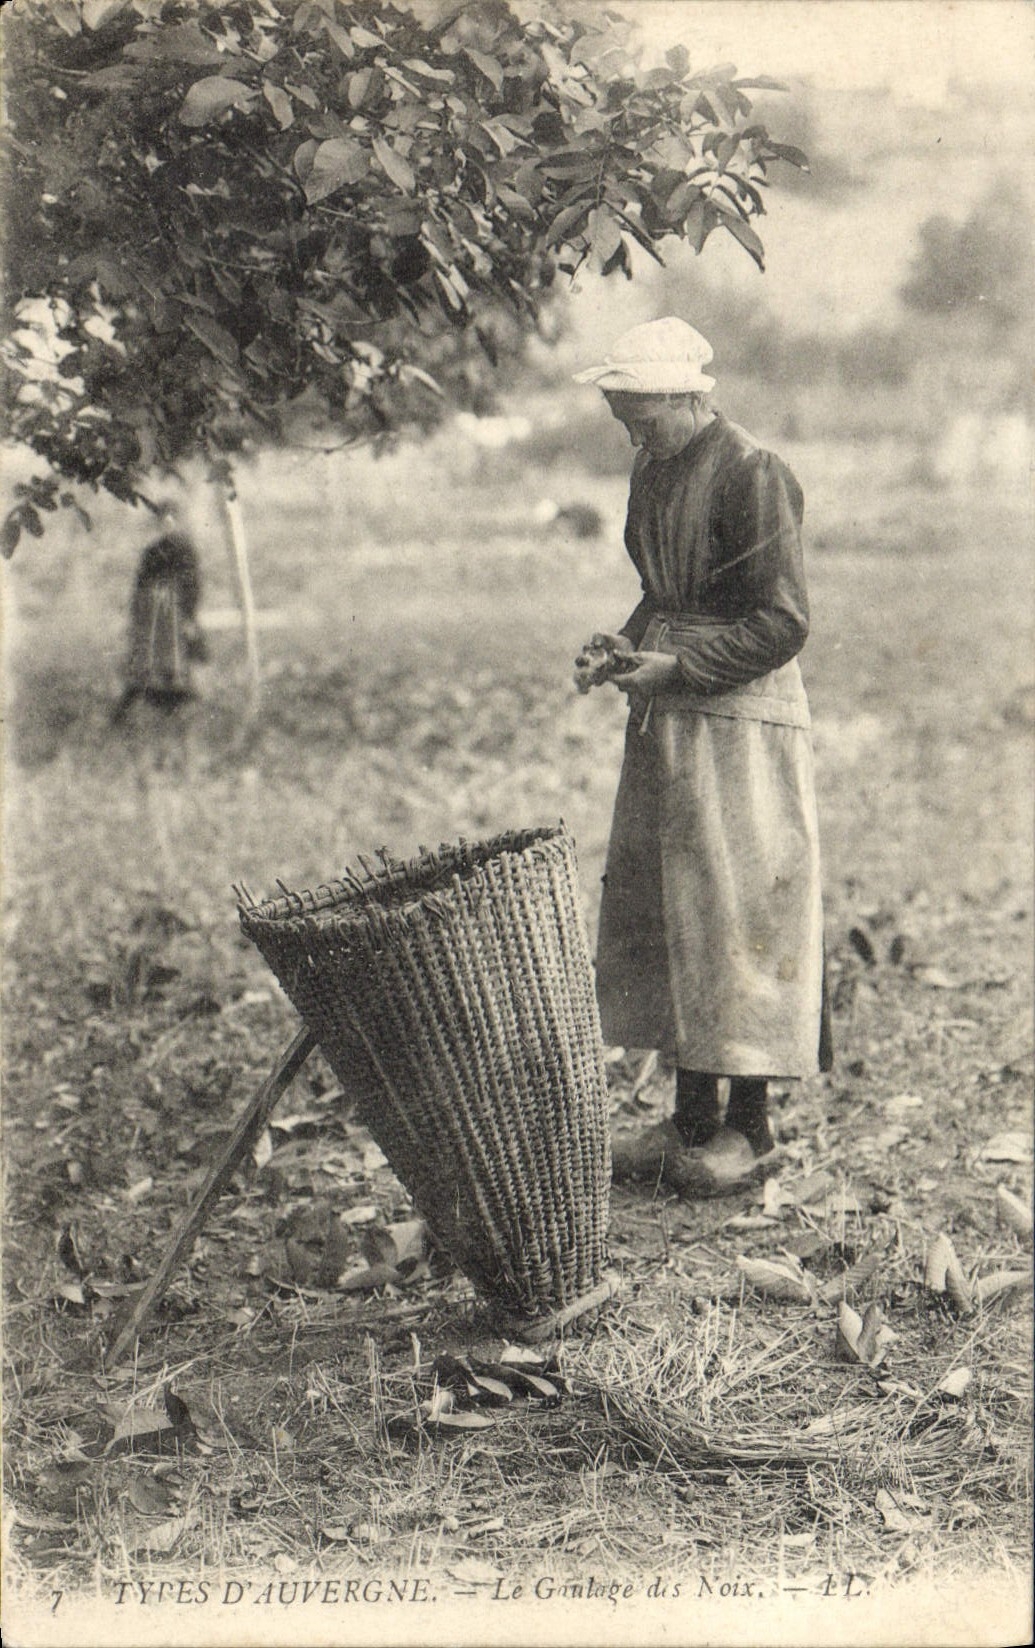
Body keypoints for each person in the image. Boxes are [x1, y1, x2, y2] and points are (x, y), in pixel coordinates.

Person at [573, 317, 832, 1195]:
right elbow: (664, 588)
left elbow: (783, 623)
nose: (631, 432)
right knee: (674, 911)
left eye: (640, 415)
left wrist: (680, 665)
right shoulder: (655, 465)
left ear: (689, 396)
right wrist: (623, 642)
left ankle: (749, 1130)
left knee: (738, 910)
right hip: (670, 715)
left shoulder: (751, 472)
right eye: (622, 418)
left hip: (741, 717)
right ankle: (688, 1122)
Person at [111, 503, 207, 725]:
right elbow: (140, 585)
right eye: (161, 520)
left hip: (174, 614)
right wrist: (136, 614)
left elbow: (193, 584)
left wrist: (189, 615)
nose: (165, 524)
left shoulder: (185, 550)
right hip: (151, 614)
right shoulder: (152, 552)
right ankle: (141, 705)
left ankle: (175, 706)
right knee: (145, 662)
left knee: (177, 660)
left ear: (176, 521)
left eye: (170, 519)